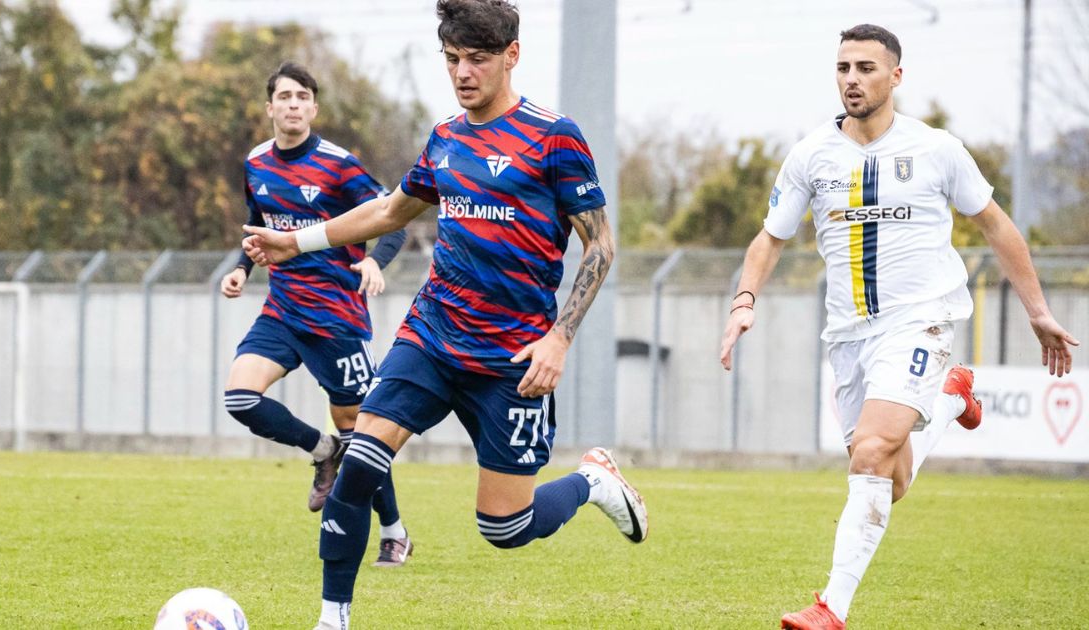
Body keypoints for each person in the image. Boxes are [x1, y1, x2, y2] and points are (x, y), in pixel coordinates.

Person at [243, 2, 649, 628]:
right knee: (359, 463)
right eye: (453, 58)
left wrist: (559, 339)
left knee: (506, 527)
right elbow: (388, 211)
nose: (462, 73)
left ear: (512, 56)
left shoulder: (554, 136)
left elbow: (601, 245)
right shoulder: (446, 137)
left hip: (511, 355)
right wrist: (294, 242)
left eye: (477, 59)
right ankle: (332, 618)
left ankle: (593, 481)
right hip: (431, 336)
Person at [719, 24, 1079, 630]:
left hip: (921, 321)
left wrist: (1037, 310)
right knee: (891, 478)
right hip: (848, 335)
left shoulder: (937, 149)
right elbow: (769, 238)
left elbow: (996, 226)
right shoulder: (811, 155)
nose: (852, 79)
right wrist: (743, 302)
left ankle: (831, 608)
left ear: (896, 76)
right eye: (843, 68)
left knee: (870, 453)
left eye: (865, 68)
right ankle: (952, 399)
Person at [221, 61, 413, 568]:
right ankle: (323, 451)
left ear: (314, 108)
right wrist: (242, 267)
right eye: (284, 96)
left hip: (337, 318)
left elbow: (393, 221)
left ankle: (394, 531)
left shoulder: (339, 165)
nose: (293, 105)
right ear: (269, 107)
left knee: (363, 433)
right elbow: (258, 223)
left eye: (302, 97)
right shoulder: (256, 162)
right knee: (240, 397)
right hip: (283, 311)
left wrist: (373, 260)